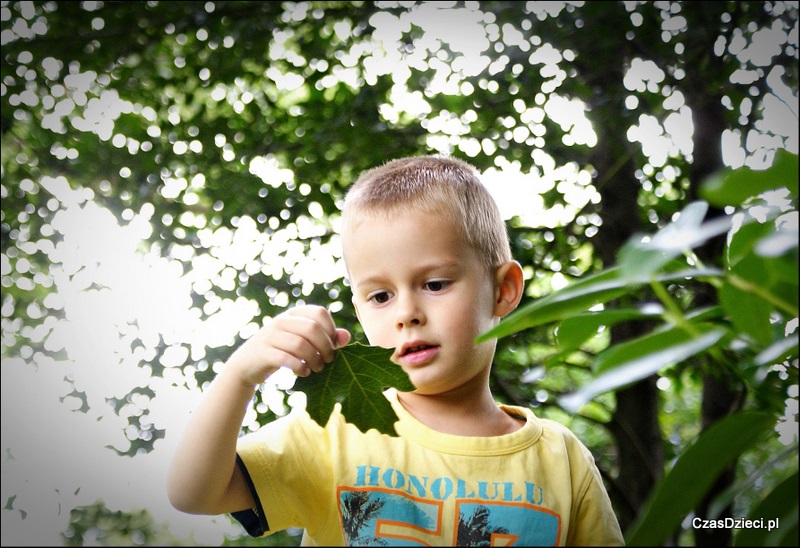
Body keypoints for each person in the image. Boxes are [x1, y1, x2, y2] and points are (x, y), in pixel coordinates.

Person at [167, 155, 625, 546]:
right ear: (359, 311)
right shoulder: (335, 431)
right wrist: (240, 375)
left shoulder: (562, 461)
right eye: (380, 296)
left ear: (503, 290)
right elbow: (195, 493)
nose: (406, 313)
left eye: (435, 284)